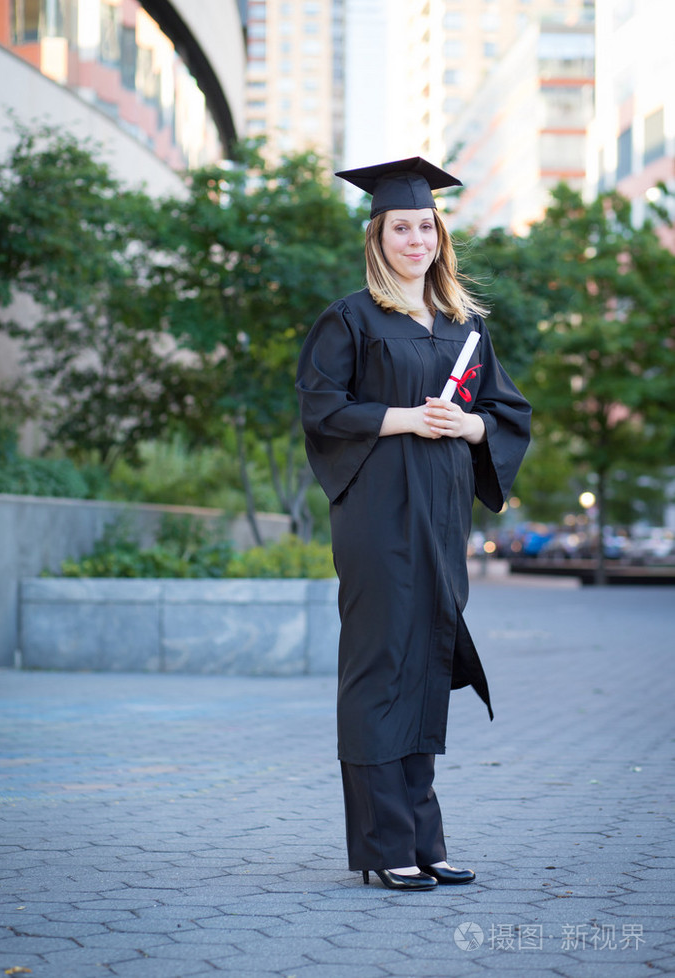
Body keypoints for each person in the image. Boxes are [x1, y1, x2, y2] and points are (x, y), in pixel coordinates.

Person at [295, 157, 531, 891]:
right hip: (377, 513)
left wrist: (465, 426)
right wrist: (404, 419)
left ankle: (423, 840)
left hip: (441, 512)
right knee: (380, 668)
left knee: (428, 661)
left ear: (439, 235)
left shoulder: (465, 327)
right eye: (401, 227)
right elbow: (321, 406)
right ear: (378, 236)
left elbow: (507, 415)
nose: (415, 239)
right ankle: (382, 845)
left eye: (425, 226)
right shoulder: (351, 318)